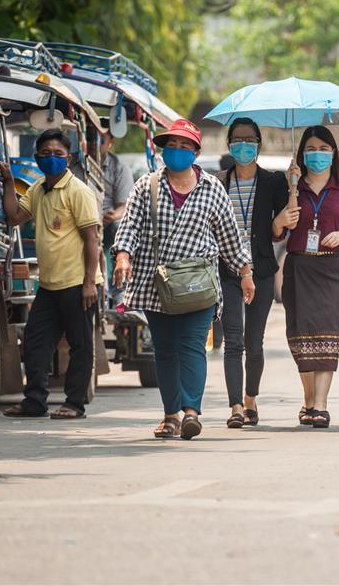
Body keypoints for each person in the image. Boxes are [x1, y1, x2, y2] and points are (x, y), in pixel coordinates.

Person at [111, 119, 254, 440]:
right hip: (154, 284)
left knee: (191, 347)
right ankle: (170, 415)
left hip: (197, 285)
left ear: (196, 152)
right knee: (164, 350)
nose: (176, 151)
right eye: (171, 146)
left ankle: (191, 411)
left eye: (184, 146)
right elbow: (130, 227)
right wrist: (123, 256)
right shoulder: (146, 185)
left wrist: (245, 273)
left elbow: (230, 236)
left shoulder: (212, 188)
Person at [1, 129, 103, 419]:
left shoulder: (79, 192)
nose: (52, 158)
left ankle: (74, 404)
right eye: (45, 154)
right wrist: (9, 182)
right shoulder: (37, 189)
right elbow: (14, 217)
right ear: (37, 158)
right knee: (35, 340)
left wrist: (88, 282)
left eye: (58, 154)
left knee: (79, 345)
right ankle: (34, 401)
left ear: (68, 159)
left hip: (77, 284)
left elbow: (91, 239)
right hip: (49, 285)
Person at [274, 125, 339, 428]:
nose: (318, 155)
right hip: (299, 269)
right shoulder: (291, 187)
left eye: (324, 149)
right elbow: (276, 233)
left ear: (333, 153)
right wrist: (289, 189)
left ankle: (321, 406)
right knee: (300, 337)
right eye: (311, 149)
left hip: (335, 271)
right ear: (302, 153)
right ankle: (308, 399)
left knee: (328, 336)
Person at [217, 118, 288, 428]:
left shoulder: (274, 181)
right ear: (229, 144)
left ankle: (250, 400)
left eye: (249, 140)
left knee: (254, 341)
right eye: (237, 140)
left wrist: (292, 194)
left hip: (260, 270)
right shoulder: (217, 181)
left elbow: (280, 230)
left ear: (259, 144)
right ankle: (234, 407)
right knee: (232, 341)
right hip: (227, 269)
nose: (243, 145)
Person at [98, 117, 134, 305]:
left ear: (110, 142)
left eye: (101, 139)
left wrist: (111, 216)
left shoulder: (119, 167)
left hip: (107, 226)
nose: (94, 143)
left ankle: (120, 292)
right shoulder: (73, 164)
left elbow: (125, 206)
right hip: (78, 224)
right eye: (90, 136)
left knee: (119, 229)